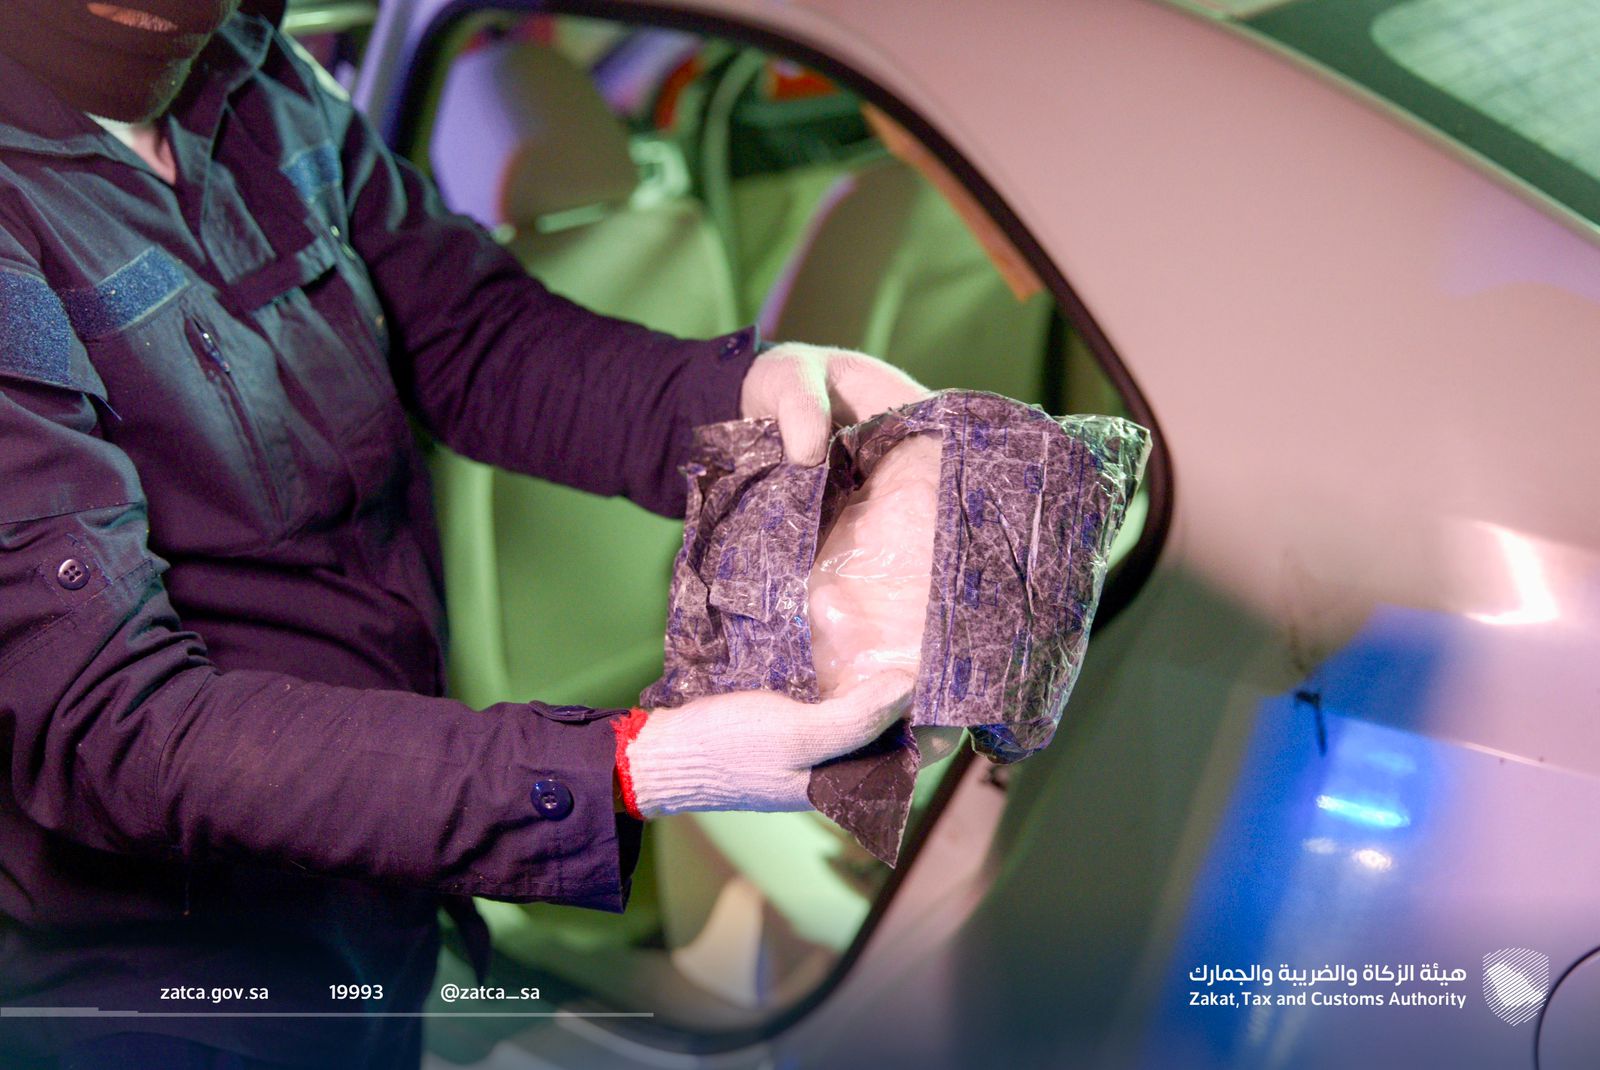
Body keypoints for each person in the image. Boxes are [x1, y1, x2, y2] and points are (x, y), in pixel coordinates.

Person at [0, 2, 929, 1066]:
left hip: (383, 893)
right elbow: (112, 721)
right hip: (162, 986)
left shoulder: (260, 75)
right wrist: (623, 766)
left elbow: (469, 337)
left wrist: (745, 396)